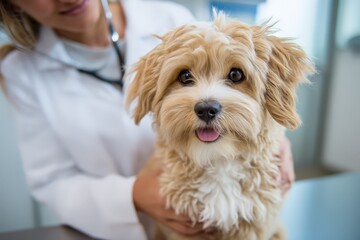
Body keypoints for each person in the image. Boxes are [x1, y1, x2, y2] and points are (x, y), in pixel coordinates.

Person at [0, 0, 295, 239]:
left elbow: (256, 77)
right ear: (11, 5)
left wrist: (275, 141)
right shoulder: (20, 71)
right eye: (185, 77)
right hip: (106, 227)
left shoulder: (170, 15)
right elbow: (52, 181)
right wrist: (132, 196)